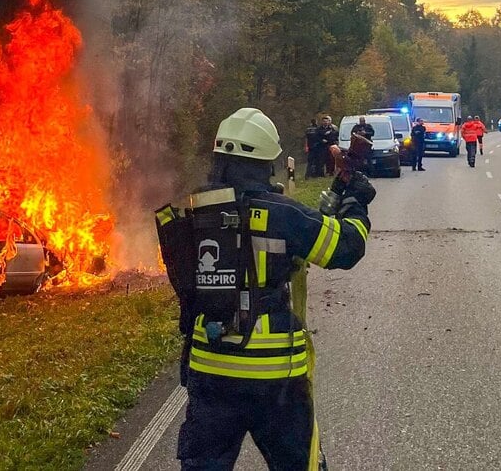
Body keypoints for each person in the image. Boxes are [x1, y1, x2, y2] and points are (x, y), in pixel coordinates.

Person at [155, 107, 375, 470]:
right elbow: (345, 248)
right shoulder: (283, 214)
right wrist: (355, 204)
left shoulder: (194, 211)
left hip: (209, 372)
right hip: (275, 380)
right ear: (264, 163)